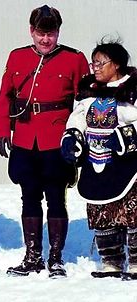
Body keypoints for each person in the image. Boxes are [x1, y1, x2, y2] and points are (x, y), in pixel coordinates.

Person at [0, 5, 89, 278]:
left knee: (57, 199)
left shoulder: (74, 59)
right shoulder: (17, 57)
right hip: (25, 138)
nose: (45, 40)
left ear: (58, 33)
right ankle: (32, 255)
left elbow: (82, 104)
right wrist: (2, 131)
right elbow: (6, 97)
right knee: (29, 198)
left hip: (56, 139)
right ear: (31, 31)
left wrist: (78, 135)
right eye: (40, 33)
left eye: (51, 34)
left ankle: (55, 257)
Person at [62, 40, 137, 281]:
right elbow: (78, 118)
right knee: (101, 211)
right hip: (96, 163)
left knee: (132, 212)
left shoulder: (132, 90)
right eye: (93, 62)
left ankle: (136, 261)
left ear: (116, 65)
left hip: (127, 164)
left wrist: (126, 135)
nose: (95, 67)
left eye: (100, 63)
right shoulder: (89, 91)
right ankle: (111, 261)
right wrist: (72, 136)